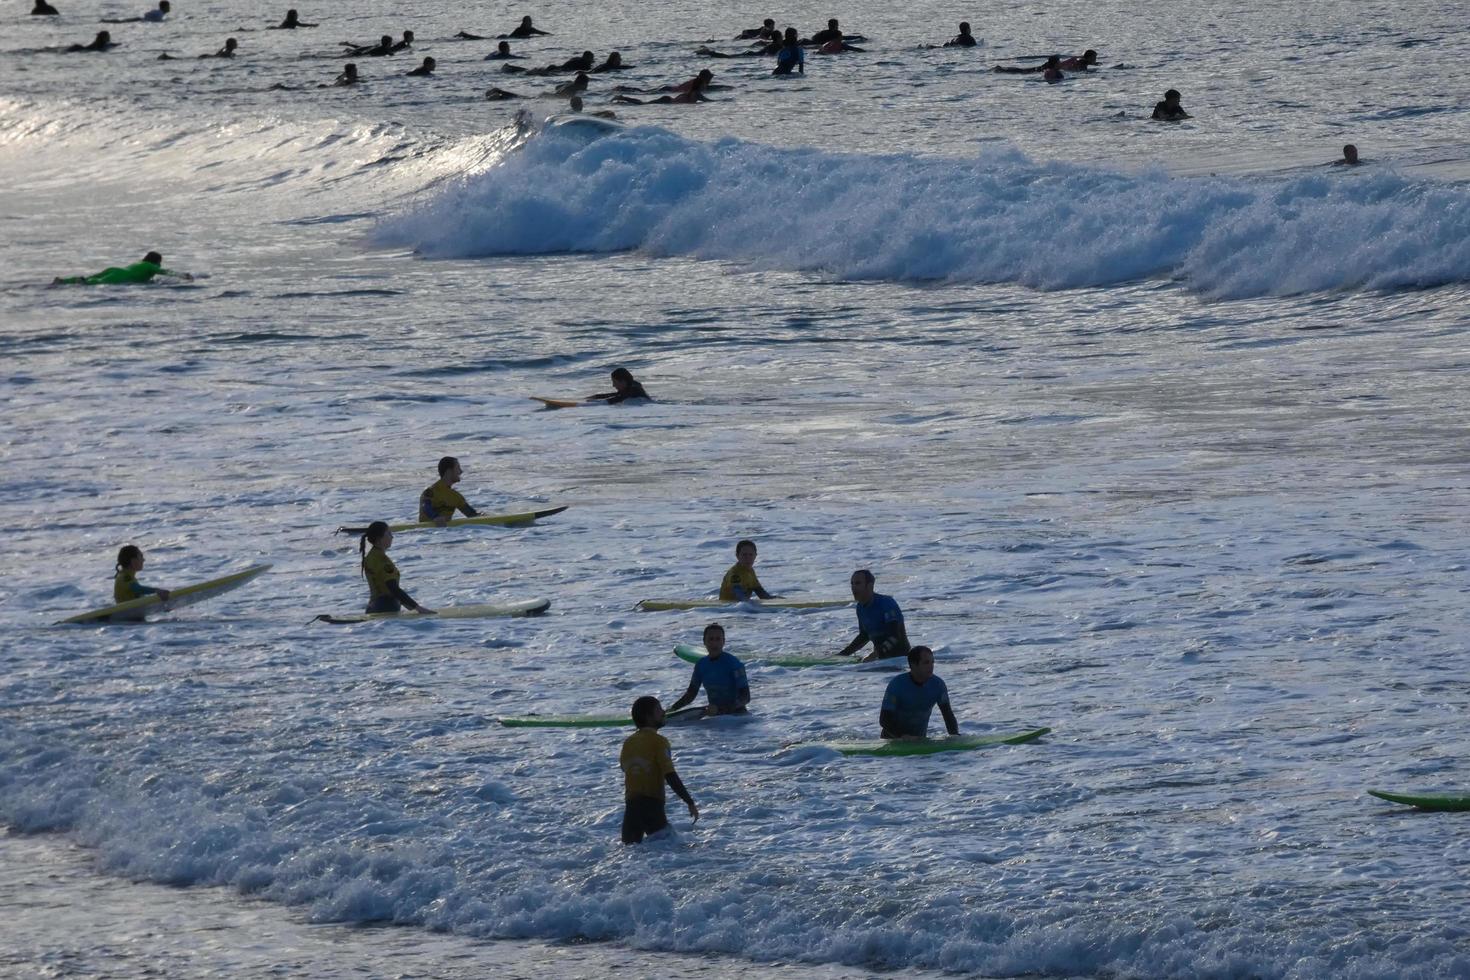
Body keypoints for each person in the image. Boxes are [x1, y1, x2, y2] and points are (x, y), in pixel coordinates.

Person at [620, 695, 699, 844]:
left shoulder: (628, 742)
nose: (663, 712)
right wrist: (689, 801)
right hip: (652, 806)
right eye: (658, 710)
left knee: (631, 849)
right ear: (648, 717)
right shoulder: (659, 741)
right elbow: (669, 774)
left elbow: (626, 768)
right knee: (672, 849)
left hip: (631, 807)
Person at [669, 623, 751, 716]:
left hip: (737, 718)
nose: (714, 643)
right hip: (715, 717)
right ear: (704, 641)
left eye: (718, 639)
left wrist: (721, 709)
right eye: (711, 639)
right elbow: (690, 694)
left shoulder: (734, 664)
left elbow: (745, 697)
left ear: (723, 642)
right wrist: (672, 709)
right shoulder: (701, 665)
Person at [879, 646, 958, 739]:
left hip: (920, 742)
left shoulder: (938, 685)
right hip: (894, 741)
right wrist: (902, 736)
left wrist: (955, 736)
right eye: (926, 663)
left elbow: (948, 715)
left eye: (932, 662)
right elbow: (884, 719)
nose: (931, 666)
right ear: (913, 665)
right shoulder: (897, 685)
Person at [359, 521, 433, 614]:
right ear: (379, 538)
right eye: (389, 533)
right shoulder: (382, 560)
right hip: (387, 607)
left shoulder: (371, 556)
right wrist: (418, 608)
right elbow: (393, 588)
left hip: (373, 607)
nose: (392, 537)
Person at [838, 568, 910, 661]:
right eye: (852, 583)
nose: (854, 587)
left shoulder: (887, 603)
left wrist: (873, 655)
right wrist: (843, 654)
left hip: (900, 659)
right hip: (881, 661)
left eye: (858, 583)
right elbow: (864, 636)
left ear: (870, 586)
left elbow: (895, 637)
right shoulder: (860, 607)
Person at [53, 250, 189, 285]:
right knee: (90, 283)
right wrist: (183, 276)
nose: (160, 265)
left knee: (89, 279)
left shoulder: (140, 263)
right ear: (156, 262)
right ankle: (78, 282)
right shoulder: (151, 267)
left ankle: (63, 281)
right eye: (160, 262)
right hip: (121, 276)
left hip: (115, 269)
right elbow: (164, 272)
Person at [418, 456, 480, 525]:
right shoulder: (431, 492)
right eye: (458, 468)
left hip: (445, 533)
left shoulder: (456, 496)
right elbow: (425, 507)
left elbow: (472, 515)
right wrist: (435, 517)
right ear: (449, 471)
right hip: (426, 532)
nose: (461, 471)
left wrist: (485, 516)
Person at [502, 50, 594, 74]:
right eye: (591, 58)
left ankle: (511, 67)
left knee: (530, 71)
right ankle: (512, 68)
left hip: (556, 67)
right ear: (587, 58)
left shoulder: (577, 58)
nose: (592, 60)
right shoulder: (585, 64)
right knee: (532, 72)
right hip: (559, 71)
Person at [992, 54, 1060, 74]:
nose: (1060, 62)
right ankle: (1001, 69)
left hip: (1028, 70)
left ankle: (1001, 69)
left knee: (1019, 70)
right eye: (1059, 61)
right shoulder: (1049, 68)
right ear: (1056, 63)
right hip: (1027, 72)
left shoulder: (1048, 65)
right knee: (1019, 71)